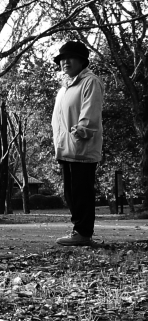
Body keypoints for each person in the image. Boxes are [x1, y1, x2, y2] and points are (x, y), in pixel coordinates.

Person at [51, 40, 104, 247]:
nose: (65, 62)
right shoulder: (66, 86)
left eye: (70, 57)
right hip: (66, 148)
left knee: (82, 192)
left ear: (82, 61)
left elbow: (90, 111)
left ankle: (83, 233)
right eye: (62, 59)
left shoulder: (90, 82)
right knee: (71, 193)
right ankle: (79, 231)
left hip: (82, 146)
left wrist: (81, 131)